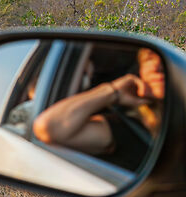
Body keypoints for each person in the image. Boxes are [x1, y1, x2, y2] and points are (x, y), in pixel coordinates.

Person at [32, 48, 165, 172]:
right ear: (139, 72)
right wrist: (113, 91)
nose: (157, 66)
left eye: (165, 60)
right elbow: (49, 127)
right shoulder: (126, 126)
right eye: (149, 59)